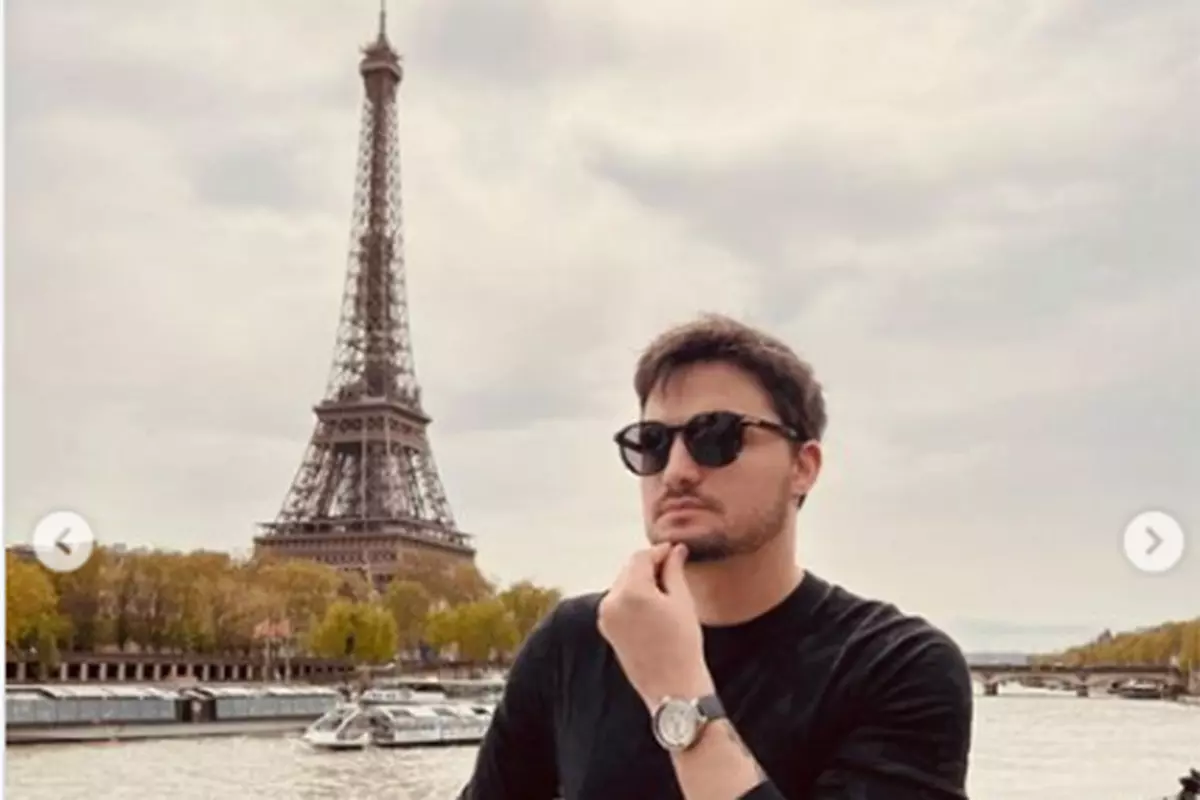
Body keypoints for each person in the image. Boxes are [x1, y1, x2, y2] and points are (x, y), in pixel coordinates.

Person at [458, 314, 974, 799]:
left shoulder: (898, 667)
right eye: (652, 442)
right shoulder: (572, 641)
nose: (677, 470)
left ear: (804, 466)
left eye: (716, 437)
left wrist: (676, 690)